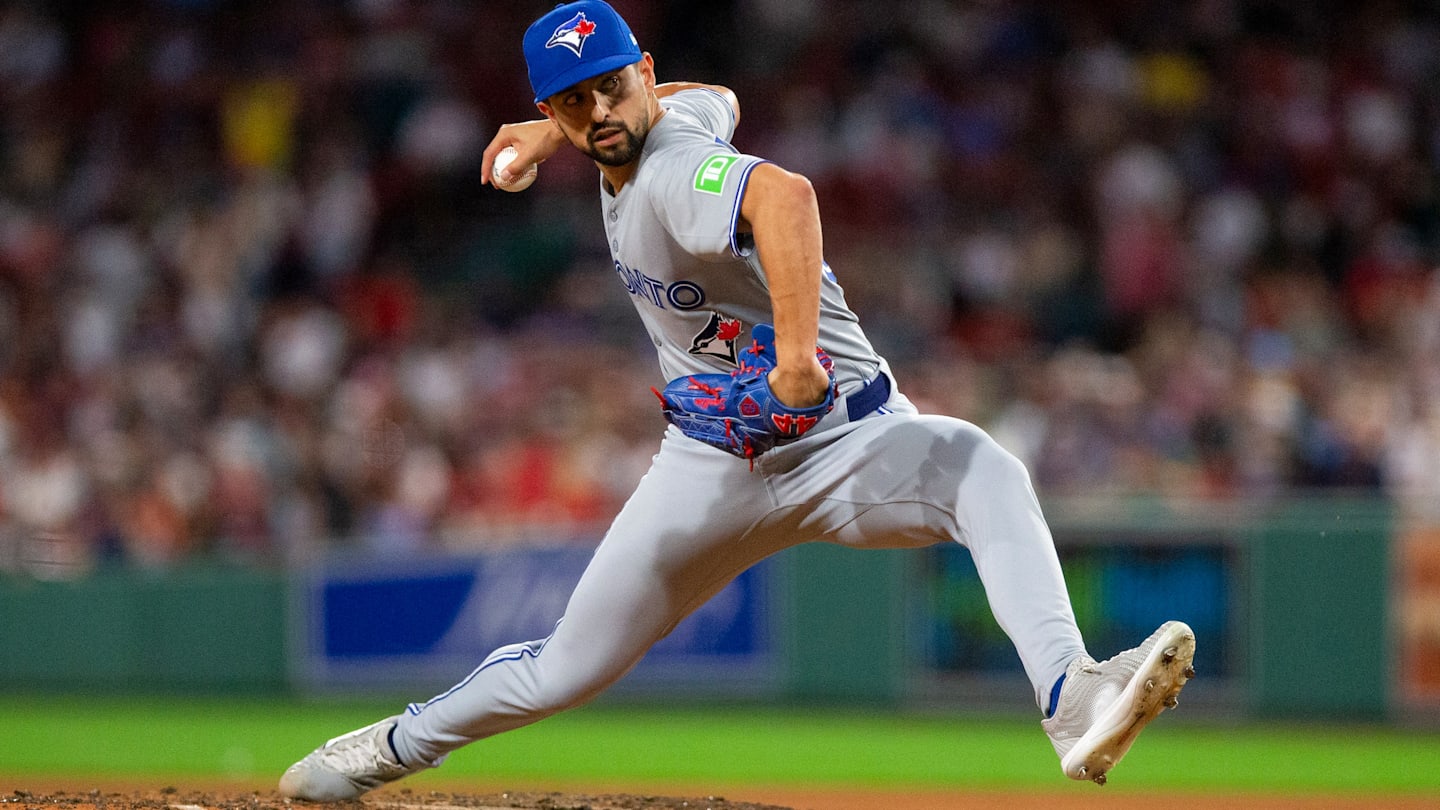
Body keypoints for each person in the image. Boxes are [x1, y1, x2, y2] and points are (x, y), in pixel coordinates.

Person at [278, 1, 1195, 800]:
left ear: (644, 72)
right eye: (572, 101)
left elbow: (787, 199)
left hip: (846, 442)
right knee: (561, 670)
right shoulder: (660, 121)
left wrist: (797, 358)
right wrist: (550, 134)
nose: (600, 112)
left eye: (611, 86)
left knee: (982, 470)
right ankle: (383, 749)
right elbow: (711, 95)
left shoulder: (672, 172)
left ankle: (1072, 699)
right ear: (549, 107)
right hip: (710, 462)